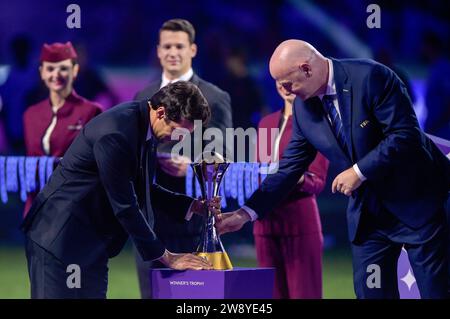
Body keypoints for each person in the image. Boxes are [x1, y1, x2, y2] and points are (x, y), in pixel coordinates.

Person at [216, 40, 450, 299]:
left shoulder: (372, 76)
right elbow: (288, 169)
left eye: (286, 83)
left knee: (435, 293)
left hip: (417, 205)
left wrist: (358, 171)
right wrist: (245, 213)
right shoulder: (304, 108)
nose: (283, 91)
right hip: (369, 217)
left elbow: (405, 136)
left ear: (306, 69)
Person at [21, 81, 219, 299]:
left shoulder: (144, 127)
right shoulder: (117, 133)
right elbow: (125, 205)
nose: (181, 139)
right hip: (62, 240)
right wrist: (167, 256)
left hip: (89, 244)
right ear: (161, 113)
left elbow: (142, 188)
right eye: (179, 131)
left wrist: (192, 205)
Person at [134, 19, 232, 298]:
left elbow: (224, 152)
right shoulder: (144, 96)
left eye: (179, 46)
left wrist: (191, 167)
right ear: (158, 51)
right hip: (150, 218)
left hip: (193, 218)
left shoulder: (214, 96)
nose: (172, 52)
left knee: (194, 297)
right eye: (167, 46)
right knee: (152, 294)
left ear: (193, 49)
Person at [254, 81, 329, 299]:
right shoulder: (266, 123)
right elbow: (259, 172)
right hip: (265, 226)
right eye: (278, 80)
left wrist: (290, 177)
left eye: (290, 80)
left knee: (305, 294)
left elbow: (317, 180)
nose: (285, 86)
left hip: (300, 224)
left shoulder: (317, 122)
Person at [23, 42, 102, 216]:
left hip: (74, 206)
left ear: (74, 71)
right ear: (42, 73)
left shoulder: (91, 111)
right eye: (50, 69)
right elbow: (31, 161)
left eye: (63, 69)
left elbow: (96, 164)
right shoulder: (31, 114)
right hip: (37, 205)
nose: (56, 74)